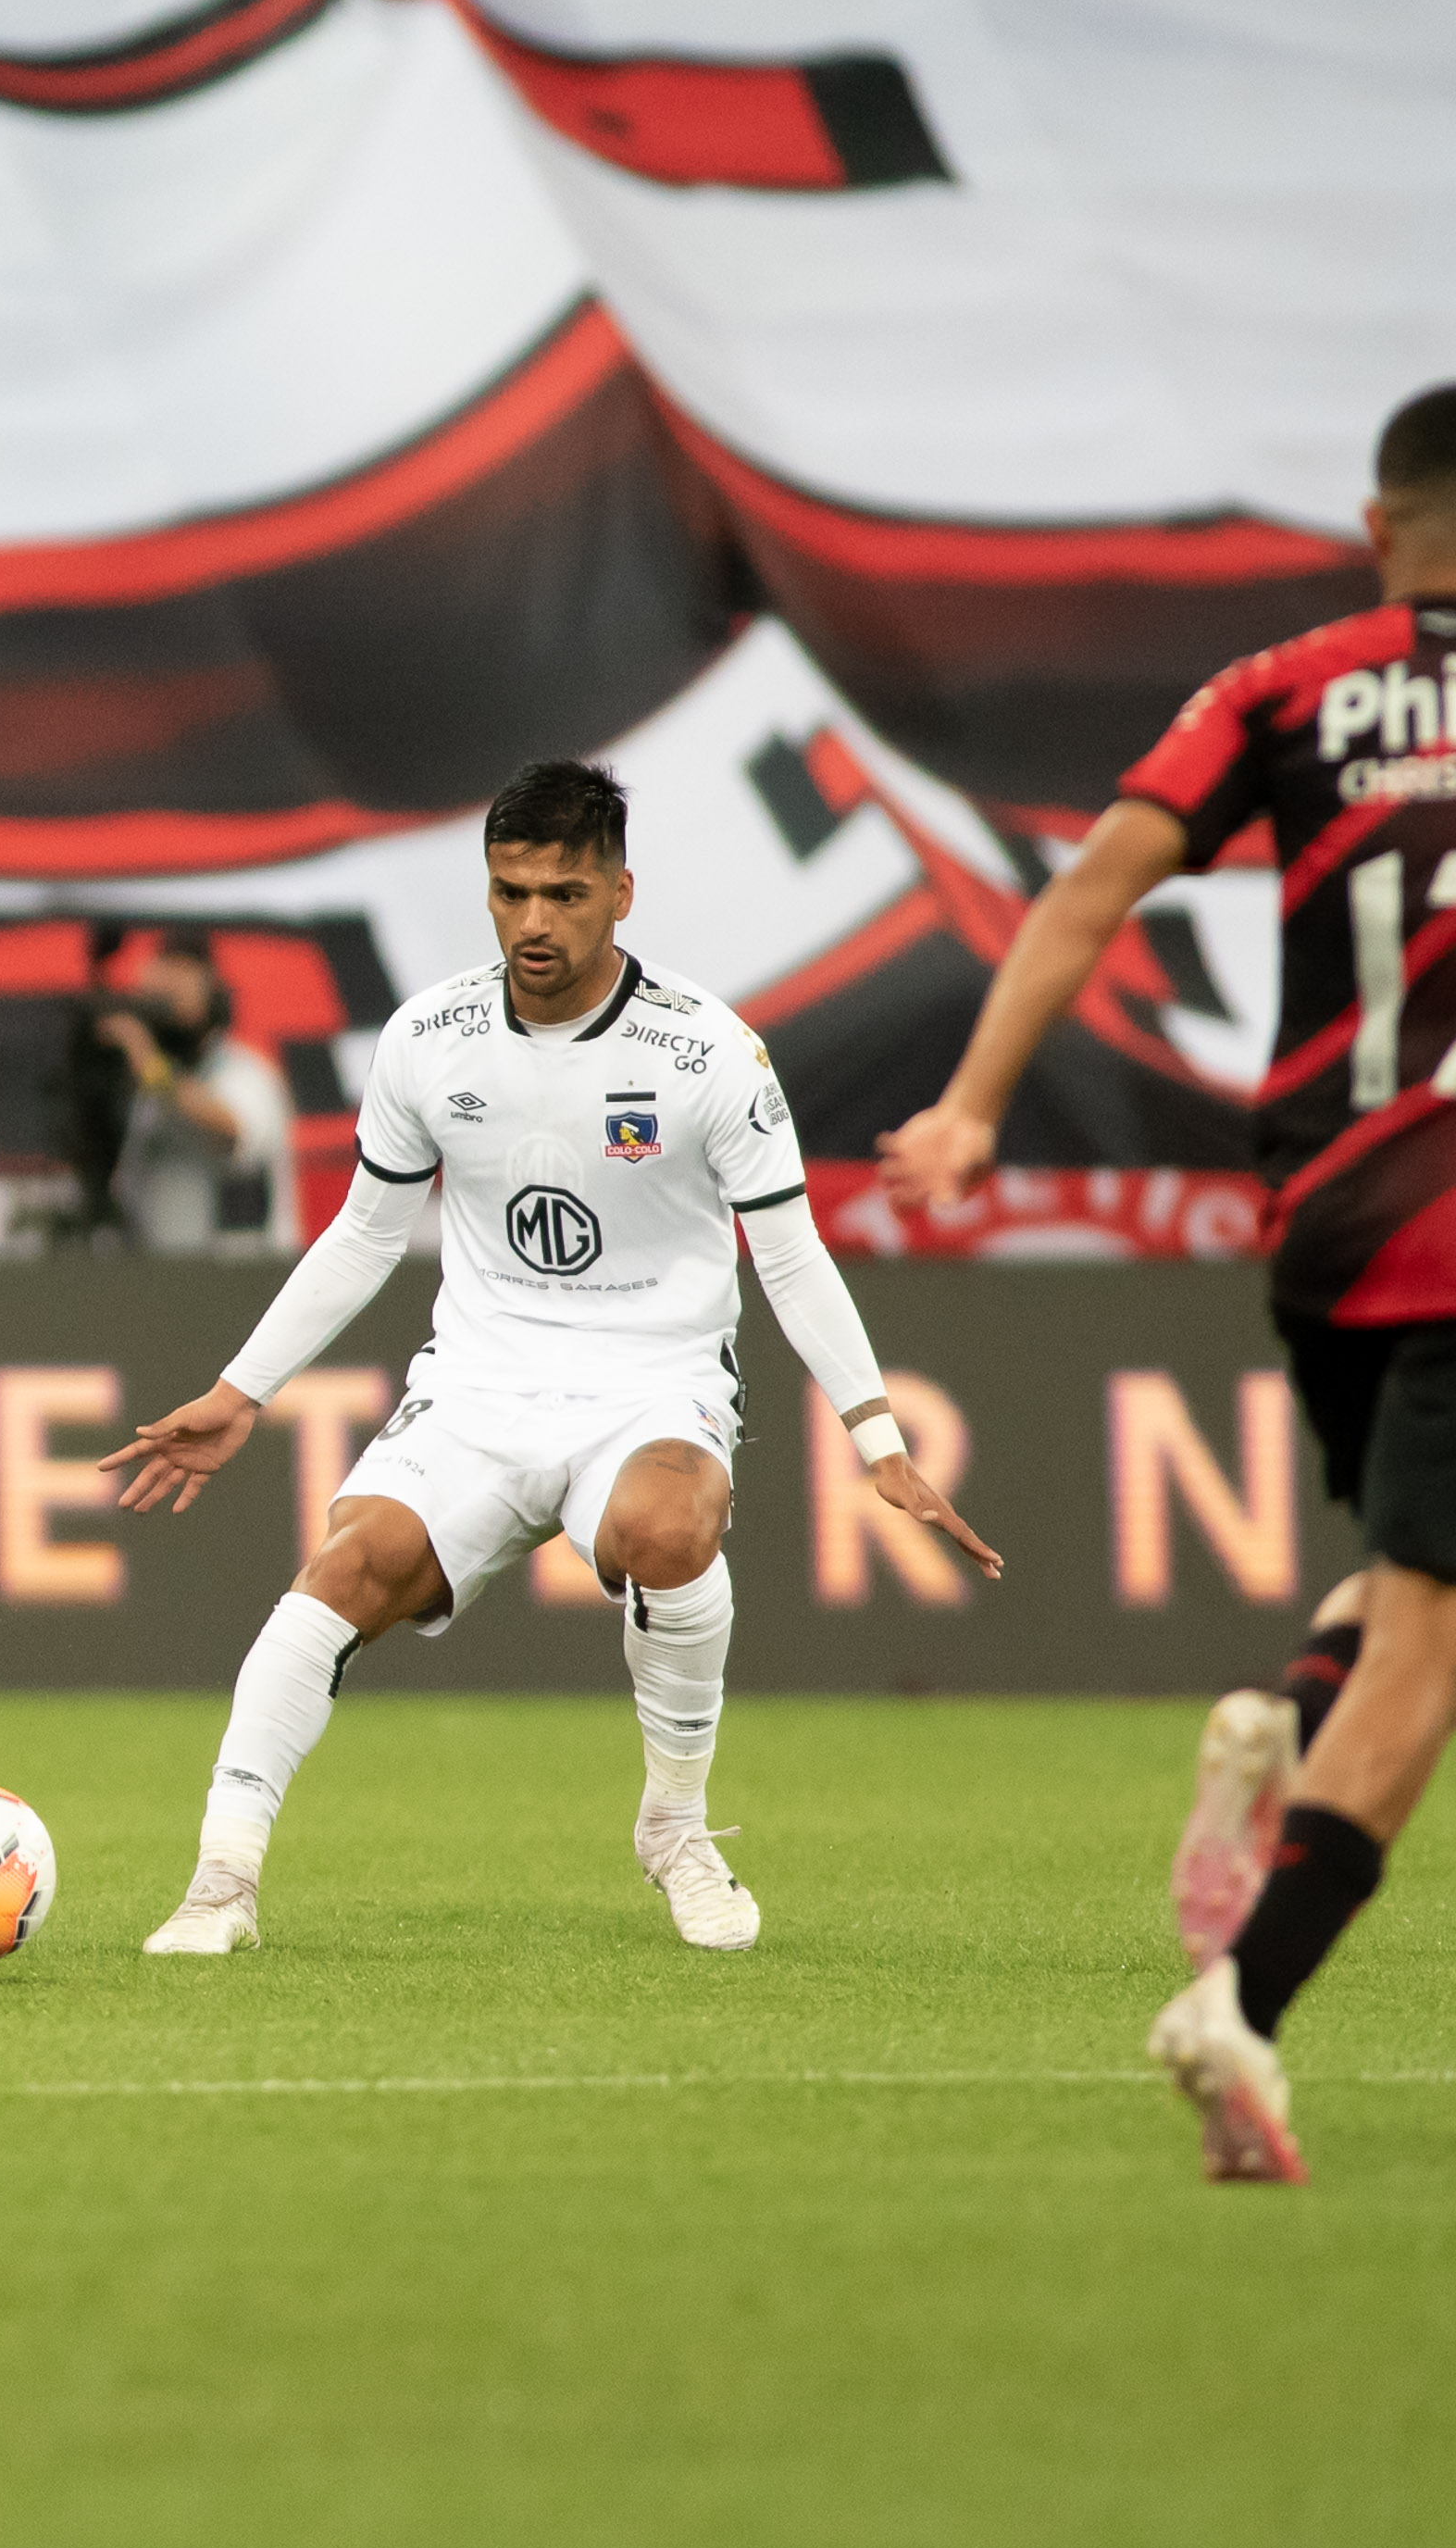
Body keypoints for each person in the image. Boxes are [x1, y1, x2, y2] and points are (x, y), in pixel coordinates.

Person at [876, 382, 1456, 2182]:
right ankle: (1239, 2001)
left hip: (1327, 1221)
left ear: (1375, 526)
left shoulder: (1282, 686)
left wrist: (966, 1108)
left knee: (1418, 1582)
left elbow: (1094, 883)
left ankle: (1281, 1712)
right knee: (1450, 1639)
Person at [100, 759, 1002, 1957]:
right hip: (478, 1387)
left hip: (652, 1383)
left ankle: (676, 1828)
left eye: (565, 894)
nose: (535, 921)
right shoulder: (431, 1039)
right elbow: (365, 1232)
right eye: (512, 891)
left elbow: (787, 1258)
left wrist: (876, 1436)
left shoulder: (710, 1054)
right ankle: (221, 1881)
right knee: (341, 1574)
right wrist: (239, 1390)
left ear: (622, 893)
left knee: (671, 1532)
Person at [105, 931, 297, 1254]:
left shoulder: (246, 1072)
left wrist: (152, 1068)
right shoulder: (143, 1093)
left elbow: (231, 1127)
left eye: (183, 981)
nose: (168, 1000)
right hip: (163, 1278)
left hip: (246, 1280)